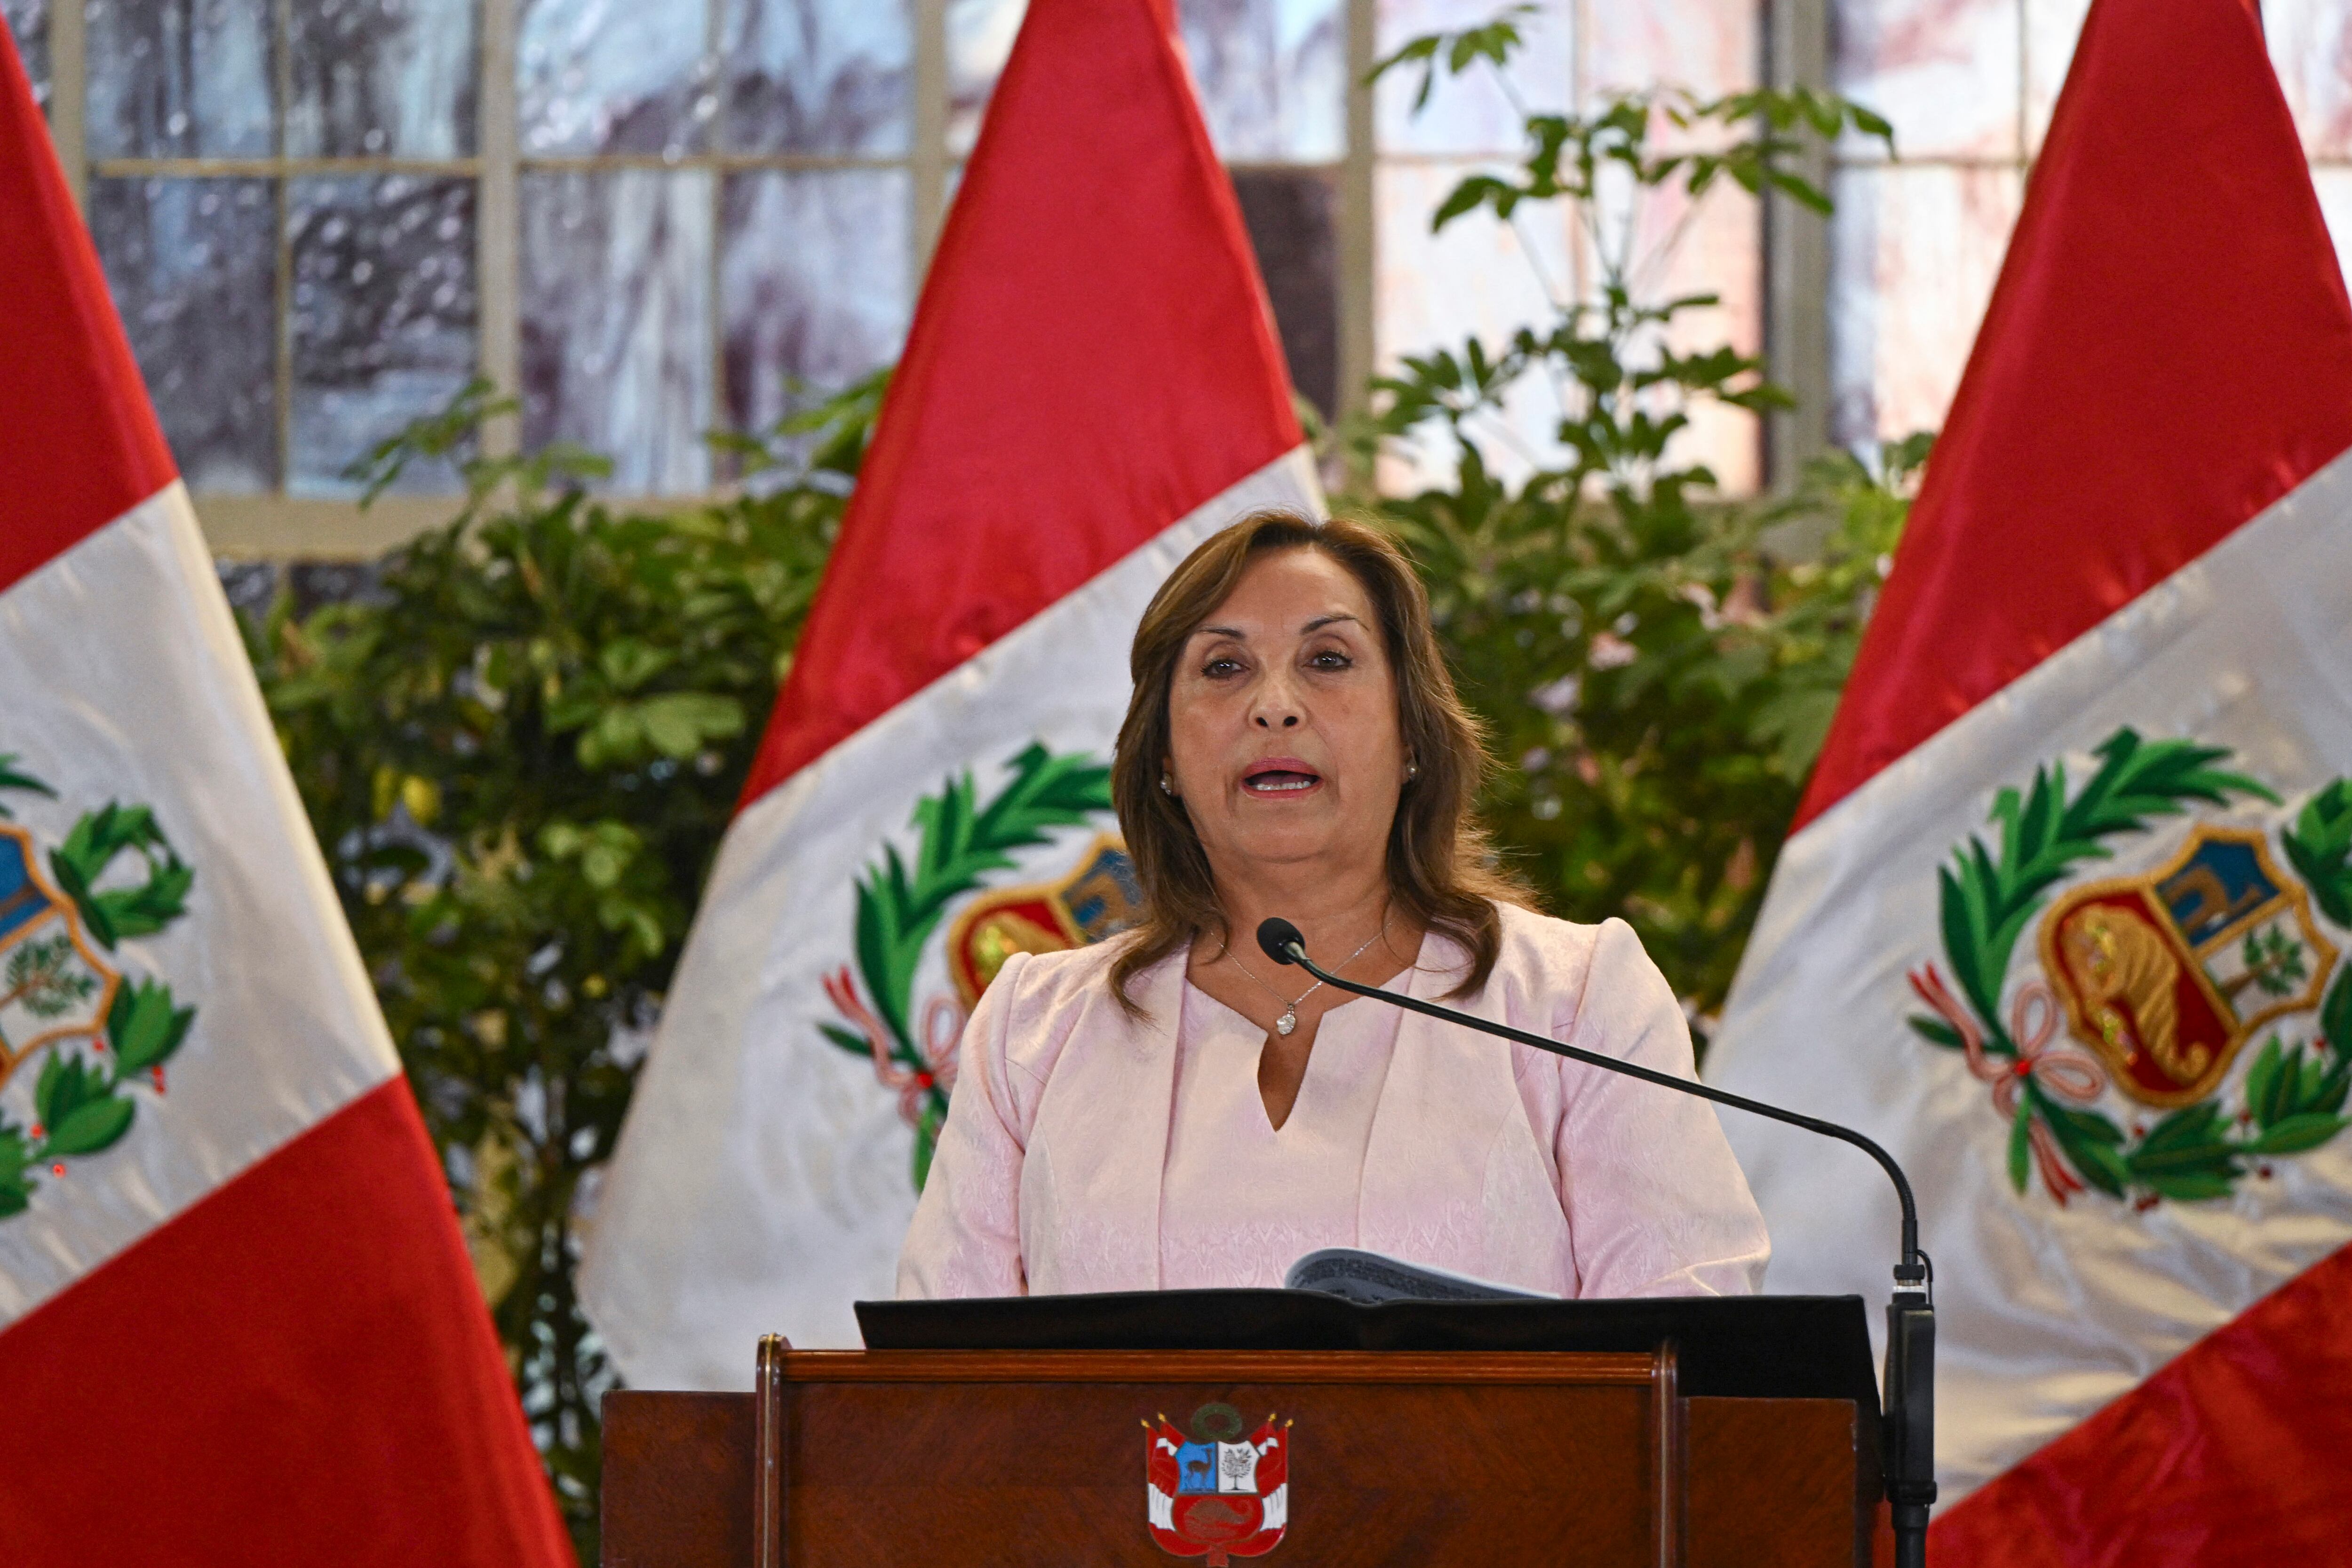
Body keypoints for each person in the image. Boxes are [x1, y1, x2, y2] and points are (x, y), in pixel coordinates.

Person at [896, 510, 1767, 1299]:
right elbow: (932, 1398)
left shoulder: (1574, 1002)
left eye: (1328, 660)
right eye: (1225, 666)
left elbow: (1692, 1357)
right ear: (1162, 752)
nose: (1275, 707)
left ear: (1413, 735)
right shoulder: (1032, 1032)